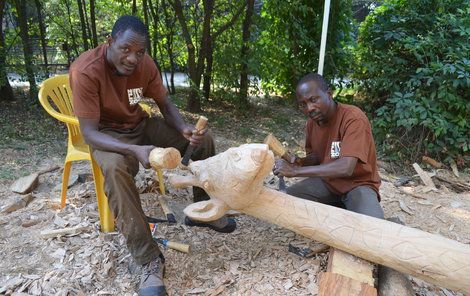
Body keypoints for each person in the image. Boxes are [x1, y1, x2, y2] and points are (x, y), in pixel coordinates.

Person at [69, 15, 235, 296]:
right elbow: (89, 133)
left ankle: (202, 212)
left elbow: (164, 102)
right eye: (126, 49)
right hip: (107, 136)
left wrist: (183, 128)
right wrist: (134, 151)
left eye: (140, 52)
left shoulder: (144, 64)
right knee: (116, 170)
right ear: (110, 42)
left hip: (140, 125)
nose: (133, 58)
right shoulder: (86, 69)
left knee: (204, 140)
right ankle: (147, 260)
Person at [273, 73, 384, 219]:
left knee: (373, 229)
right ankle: (341, 211)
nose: (309, 108)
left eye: (313, 100)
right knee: (286, 202)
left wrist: (295, 171)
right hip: (329, 183)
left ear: (329, 94)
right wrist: (300, 162)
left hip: (357, 184)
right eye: (303, 104)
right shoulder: (312, 123)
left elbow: (346, 167)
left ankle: (354, 213)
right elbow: (316, 157)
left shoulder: (353, 118)